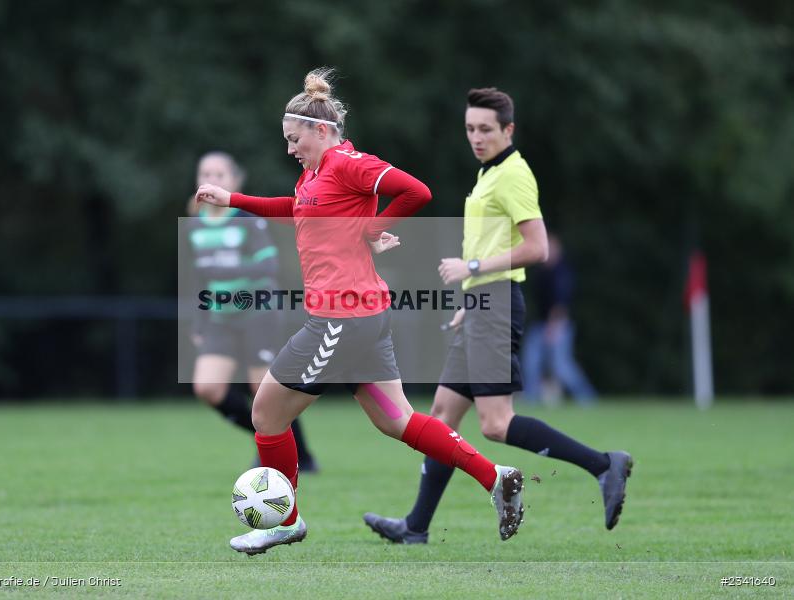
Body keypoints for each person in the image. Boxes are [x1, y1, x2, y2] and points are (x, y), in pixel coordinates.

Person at [194, 68, 525, 556]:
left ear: (321, 131)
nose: (290, 149)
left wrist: (373, 227)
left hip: (340, 321)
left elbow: (417, 191)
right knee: (398, 422)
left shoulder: (350, 164)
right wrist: (234, 199)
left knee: (265, 412)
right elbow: (296, 208)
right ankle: (494, 477)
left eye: (294, 139)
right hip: (361, 320)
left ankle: (284, 521)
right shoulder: (313, 173)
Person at [363, 87, 631, 545]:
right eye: (470, 128)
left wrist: (472, 270)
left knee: (495, 423)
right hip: (483, 304)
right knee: (442, 418)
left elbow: (538, 248)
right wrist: (472, 298)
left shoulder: (512, 175)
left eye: (486, 129)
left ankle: (605, 465)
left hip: (499, 302)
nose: (476, 136)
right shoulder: (488, 175)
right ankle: (416, 527)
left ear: (509, 129)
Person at [186, 151, 317, 471]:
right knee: (208, 388)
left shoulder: (246, 218)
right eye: (206, 173)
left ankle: (291, 452)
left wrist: (226, 267)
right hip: (219, 317)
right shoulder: (195, 224)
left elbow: (268, 266)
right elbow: (199, 277)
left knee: (263, 393)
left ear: (233, 181)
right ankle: (270, 438)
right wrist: (198, 321)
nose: (212, 180)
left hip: (257, 312)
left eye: (219, 175)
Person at [521, 233, 598, 405]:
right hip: (540, 324)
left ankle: (587, 398)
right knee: (530, 362)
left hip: (558, 324)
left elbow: (561, 303)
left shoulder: (562, 273)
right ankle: (530, 399)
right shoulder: (540, 272)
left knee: (561, 366)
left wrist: (553, 327)